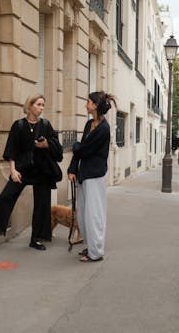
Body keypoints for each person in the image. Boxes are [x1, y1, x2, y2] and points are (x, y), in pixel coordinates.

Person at [0, 94, 63, 250]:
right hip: (22, 170)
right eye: (38, 104)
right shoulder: (18, 125)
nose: (41, 108)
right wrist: (13, 170)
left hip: (42, 170)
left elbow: (57, 147)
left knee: (41, 205)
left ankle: (36, 238)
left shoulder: (46, 125)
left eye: (43, 105)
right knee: (6, 197)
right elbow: (12, 150)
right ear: (29, 105)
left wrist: (46, 145)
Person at [67, 91, 116, 262]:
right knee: (83, 215)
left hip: (95, 176)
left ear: (95, 105)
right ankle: (90, 247)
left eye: (87, 102)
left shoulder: (104, 129)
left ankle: (96, 253)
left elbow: (84, 149)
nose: (85, 104)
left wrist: (76, 146)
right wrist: (72, 168)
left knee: (94, 215)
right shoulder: (89, 124)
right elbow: (80, 151)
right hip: (84, 175)